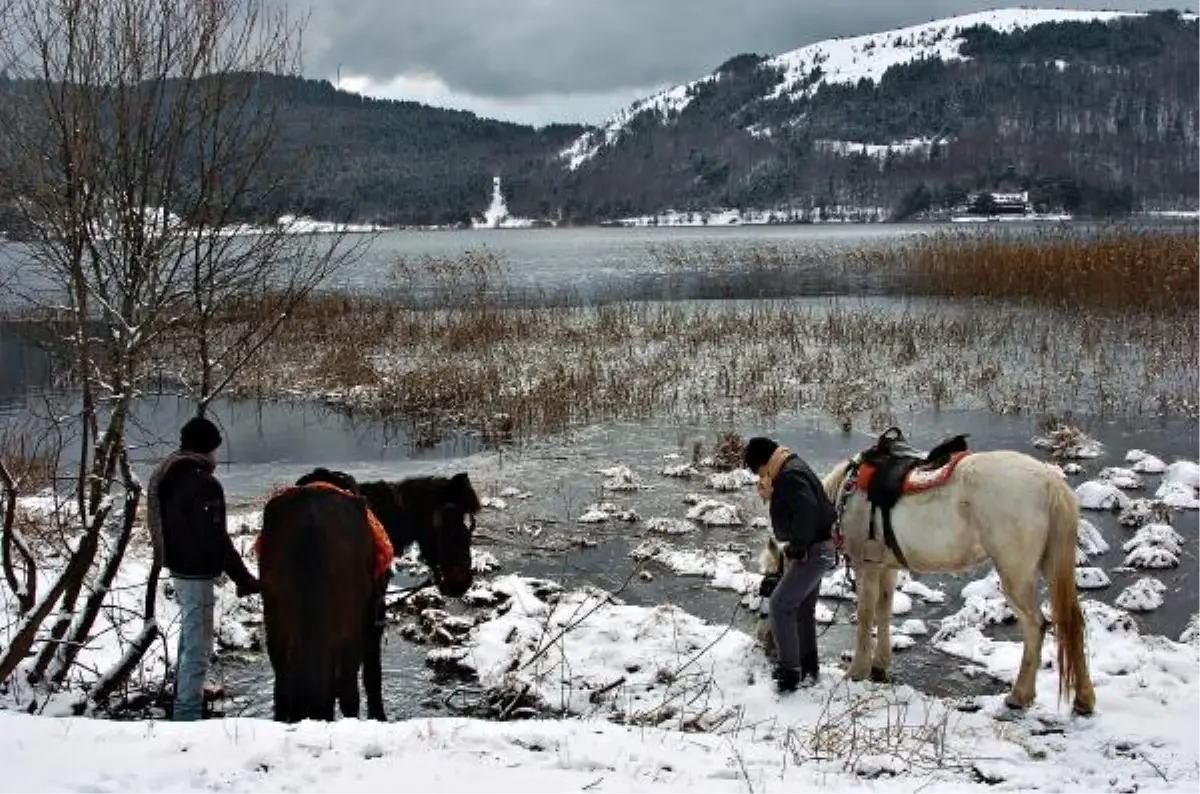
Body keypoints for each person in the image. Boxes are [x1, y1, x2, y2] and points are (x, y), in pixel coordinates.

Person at [147, 416, 260, 721]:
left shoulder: (170, 472)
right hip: (195, 570)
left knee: (189, 637)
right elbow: (216, 537)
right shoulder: (202, 483)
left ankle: (186, 695)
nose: (216, 456)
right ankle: (187, 717)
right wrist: (243, 577)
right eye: (215, 448)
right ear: (207, 448)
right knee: (198, 649)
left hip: (179, 566)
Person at [743, 436, 837, 693]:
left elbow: (806, 509)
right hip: (821, 548)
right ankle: (808, 667)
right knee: (803, 610)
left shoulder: (788, 475)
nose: (760, 477)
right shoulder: (790, 465)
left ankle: (789, 672)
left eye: (759, 472)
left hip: (812, 551)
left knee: (780, 604)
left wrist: (798, 546)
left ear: (763, 463)